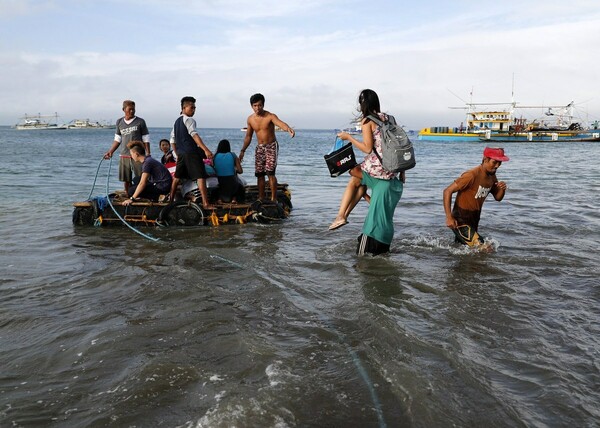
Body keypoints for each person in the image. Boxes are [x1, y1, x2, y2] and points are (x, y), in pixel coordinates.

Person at [332, 89, 405, 255]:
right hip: (392, 170)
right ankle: (342, 216)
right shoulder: (389, 118)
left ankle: (341, 215)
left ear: (362, 104)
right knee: (359, 182)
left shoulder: (367, 121)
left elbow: (367, 148)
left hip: (377, 171)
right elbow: (398, 145)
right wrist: (402, 171)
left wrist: (349, 137)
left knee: (352, 174)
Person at [443, 146, 509, 246]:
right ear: (485, 160)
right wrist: (449, 217)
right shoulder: (471, 175)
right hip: (460, 220)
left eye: (500, 163)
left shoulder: (492, 177)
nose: (497, 166)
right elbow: (447, 191)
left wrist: (502, 189)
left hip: (474, 219)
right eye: (494, 162)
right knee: (484, 248)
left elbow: (498, 198)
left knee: (461, 250)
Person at [239, 93, 295, 201]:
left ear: (263, 105)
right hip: (259, 147)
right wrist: (243, 150)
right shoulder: (250, 119)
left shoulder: (270, 116)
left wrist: (288, 129)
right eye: (255, 106)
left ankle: (273, 198)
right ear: (251, 106)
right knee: (260, 174)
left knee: (270, 172)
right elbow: (248, 136)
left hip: (271, 146)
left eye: (259, 105)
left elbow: (280, 123)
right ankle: (261, 197)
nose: (257, 108)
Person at [168, 96, 215, 209]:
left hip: (182, 154)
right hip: (191, 152)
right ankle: (205, 204)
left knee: (177, 177)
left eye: (194, 108)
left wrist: (177, 153)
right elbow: (194, 135)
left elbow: (172, 141)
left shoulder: (176, 122)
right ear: (184, 108)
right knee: (200, 177)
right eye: (191, 108)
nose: (193, 110)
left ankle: (170, 201)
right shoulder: (189, 120)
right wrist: (206, 149)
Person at [103, 100, 150, 193]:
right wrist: (111, 151)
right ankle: (127, 193)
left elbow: (146, 138)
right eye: (130, 109)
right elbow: (117, 139)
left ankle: (140, 194)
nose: (132, 111)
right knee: (126, 178)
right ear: (124, 109)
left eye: (133, 109)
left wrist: (148, 153)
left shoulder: (140, 121)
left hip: (137, 155)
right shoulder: (119, 122)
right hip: (124, 154)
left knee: (140, 176)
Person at [213, 139, 245, 204]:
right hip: (232, 183)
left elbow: (215, 170)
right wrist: (235, 169)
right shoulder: (233, 155)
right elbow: (240, 171)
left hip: (220, 182)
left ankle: (219, 199)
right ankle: (234, 199)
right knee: (239, 186)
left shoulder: (215, 156)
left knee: (219, 185)